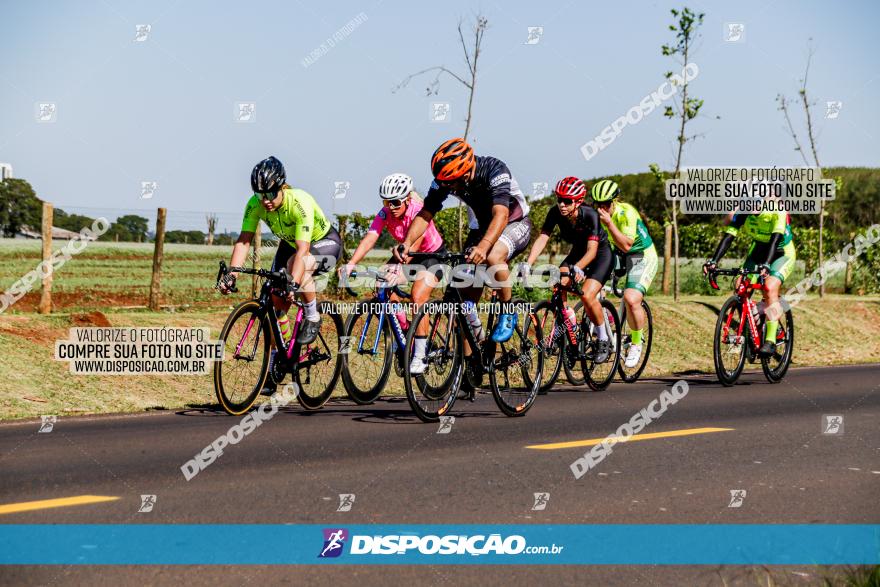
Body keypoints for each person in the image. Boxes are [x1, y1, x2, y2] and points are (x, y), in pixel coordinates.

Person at [219, 156, 342, 389]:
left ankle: (313, 316)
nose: (264, 200)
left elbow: (304, 250)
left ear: (282, 187)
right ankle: (281, 357)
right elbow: (244, 241)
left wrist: (293, 284)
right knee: (276, 306)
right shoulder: (254, 204)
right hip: (290, 244)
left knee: (298, 267)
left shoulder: (299, 203)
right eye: (259, 194)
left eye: (270, 194)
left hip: (323, 242)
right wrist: (232, 273)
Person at [394, 138, 532, 344]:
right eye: (444, 183)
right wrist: (406, 242)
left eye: (451, 183)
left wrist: (484, 247)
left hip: (514, 222)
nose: (448, 187)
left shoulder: (494, 170)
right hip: (482, 229)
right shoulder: (444, 179)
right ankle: (471, 368)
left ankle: (508, 310)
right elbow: (425, 214)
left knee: (494, 256)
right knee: (463, 303)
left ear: (466, 172)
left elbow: (501, 215)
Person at [340, 173, 447, 374]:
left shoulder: (418, 212)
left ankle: (420, 356)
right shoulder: (385, 213)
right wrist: (351, 263)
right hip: (405, 254)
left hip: (431, 256)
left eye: (396, 202)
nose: (391, 207)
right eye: (387, 202)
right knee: (381, 283)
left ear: (407, 199)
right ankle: (405, 330)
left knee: (418, 296)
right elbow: (371, 237)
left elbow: (414, 243)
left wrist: (399, 267)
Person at [521, 176, 614, 362]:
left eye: (567, 201)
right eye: (559, 199)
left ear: (578, 201)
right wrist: (528, 263)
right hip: (578, 252)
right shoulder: (555, 213)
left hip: (600, 255)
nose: (562, 204)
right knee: (559, 282)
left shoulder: (590, 215)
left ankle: (603, 339)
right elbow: (543, 238)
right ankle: (569, 324)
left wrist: (578, 268)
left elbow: (592, 251)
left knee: (587, 295)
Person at [703, 204, 796, 356]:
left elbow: (774, 241)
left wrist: (766, 265)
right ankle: (748, 332)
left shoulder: (775, 211)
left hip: (781, 252)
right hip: (758, 251)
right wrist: (713, 261)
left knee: (769, 287)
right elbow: (729, 236)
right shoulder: (742, 212)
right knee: (741, 286)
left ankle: (771, 340)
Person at [591, 179, 658, 368]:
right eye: (598, 204)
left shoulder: (626, 213)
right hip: (617, 253)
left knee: (631, 299)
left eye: (606, 203)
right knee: (592, 289)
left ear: (614, 201)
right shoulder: (596, 215)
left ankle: (637, 342)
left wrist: (609, 223)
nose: (602, 208)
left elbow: (627, 245)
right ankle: (607, 322)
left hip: (641, 255)